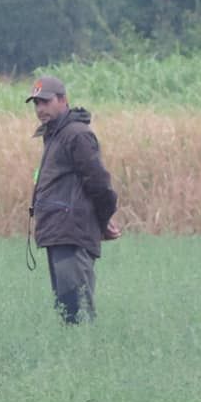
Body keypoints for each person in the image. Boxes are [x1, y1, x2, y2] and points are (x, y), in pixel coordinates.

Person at [25, 75, 120, 324]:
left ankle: (88, 358)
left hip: (71, 232)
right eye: (36, 104)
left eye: (45, 102)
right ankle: (74, 357)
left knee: (78, 311)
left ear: (63, 100)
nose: (40, 109)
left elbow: (99, 183)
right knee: (67, 312)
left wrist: (104, 219)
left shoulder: (76, 134)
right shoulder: (55, 135)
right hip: (58, 232)